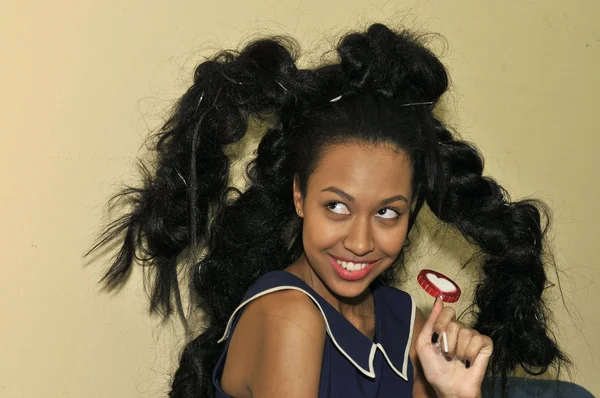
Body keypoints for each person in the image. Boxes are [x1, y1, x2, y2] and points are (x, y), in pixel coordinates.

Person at [89, 23, 568, 397]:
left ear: (412, 211)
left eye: (387, 213)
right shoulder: (289, 318)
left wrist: (456, 393)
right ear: (299, 195)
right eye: (337, 206)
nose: (360, 242)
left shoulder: (408, 323)